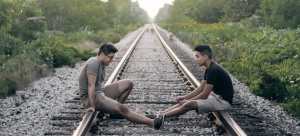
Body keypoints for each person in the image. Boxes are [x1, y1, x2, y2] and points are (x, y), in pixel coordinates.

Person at [79, 43, 163, 129]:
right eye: (110, 57)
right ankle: (152, 123)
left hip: (99, 93)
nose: (111, 60)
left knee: (128, 83)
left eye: (112, 57)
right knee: (122, 108)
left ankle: (115, 113)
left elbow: (97, 86)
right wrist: (92, 106)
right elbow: (91, 85)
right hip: (90, 98)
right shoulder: (94, 63)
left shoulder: (101, 63)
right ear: (102, 54)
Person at [156, 45, 234, 127]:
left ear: (205, 57)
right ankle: (162, 113)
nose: (195, 59)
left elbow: (204, 95)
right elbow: (200, 89)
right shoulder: (209, 68)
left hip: (223, 102)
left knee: (188, 104)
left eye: (197, 56)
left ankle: (162, 116)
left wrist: (188, 101)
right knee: (186, 101)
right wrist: (184, 97)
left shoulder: (213, 70)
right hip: (215, 97)